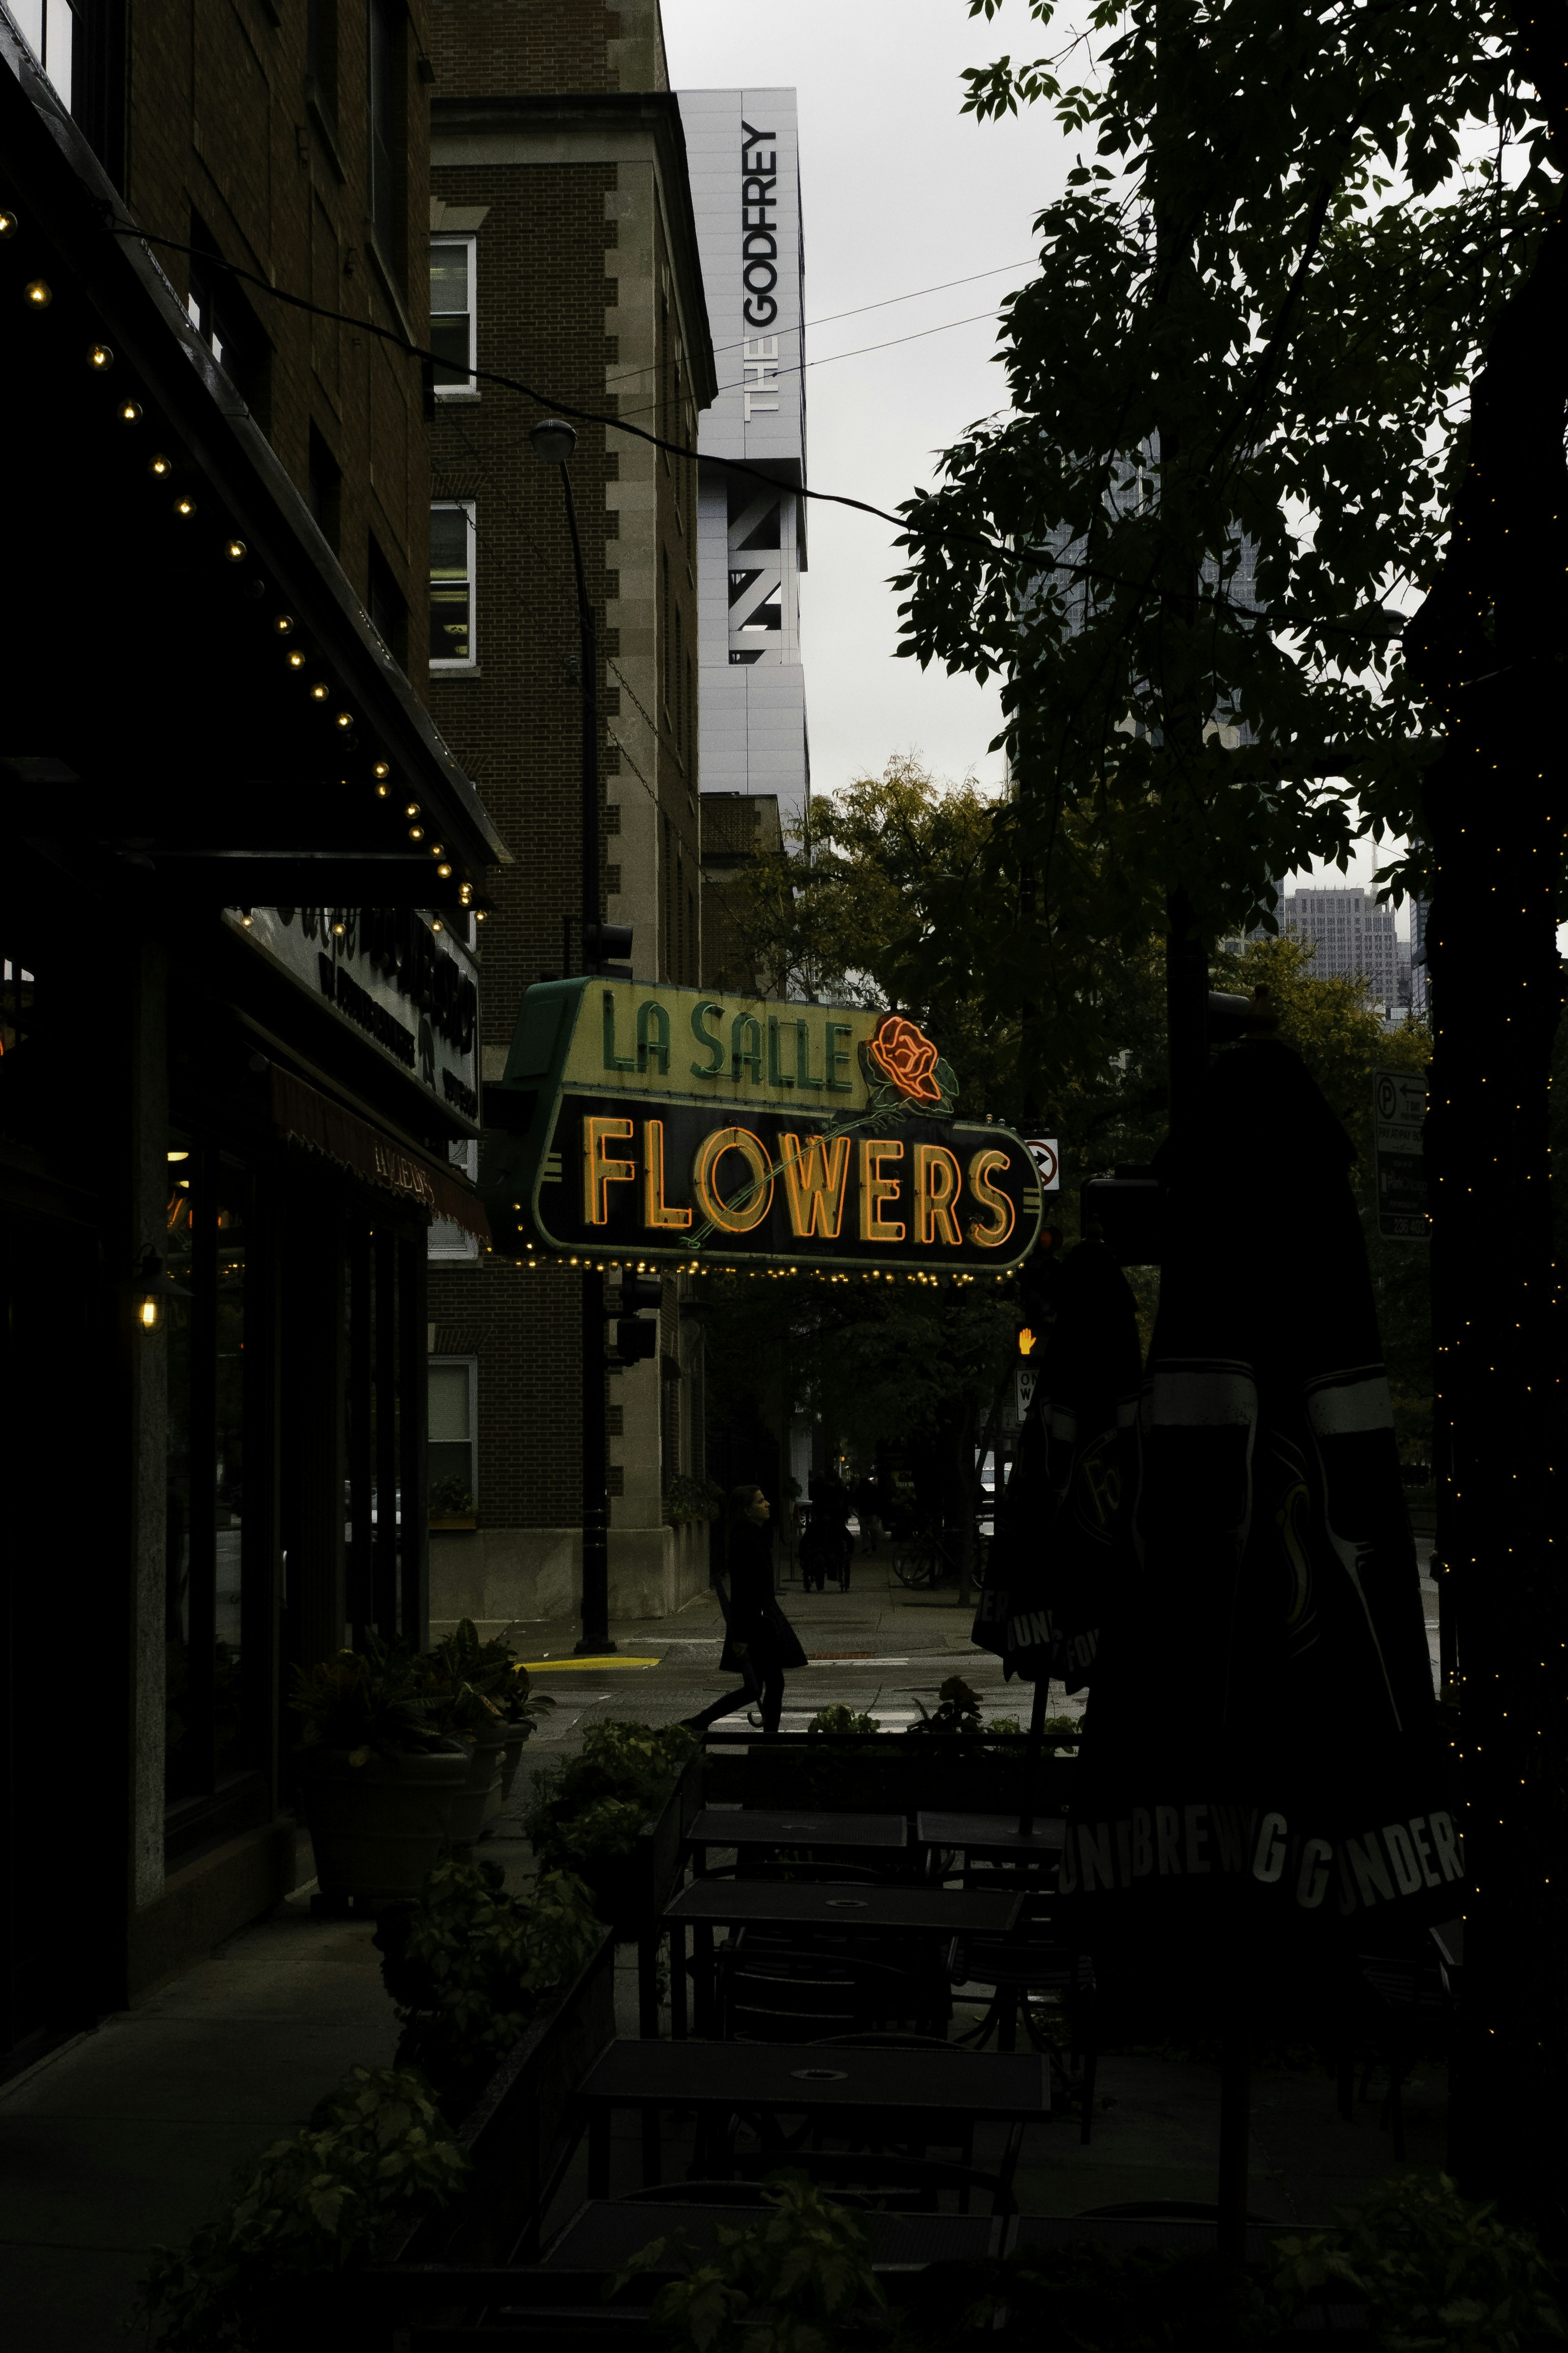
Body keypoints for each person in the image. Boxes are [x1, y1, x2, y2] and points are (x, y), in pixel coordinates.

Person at [683, 1484, 807, 1733]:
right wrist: (742, 1636)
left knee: (759, 1686)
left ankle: (700, 1723)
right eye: (760, 1501)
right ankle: (766, 1738)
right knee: (769, 1684)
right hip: (756, 1624)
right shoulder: (746, 1541)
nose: (767, 1504)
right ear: (747, 1511)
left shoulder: (754, 1537)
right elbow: (744, 1591)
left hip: (759, 1621)